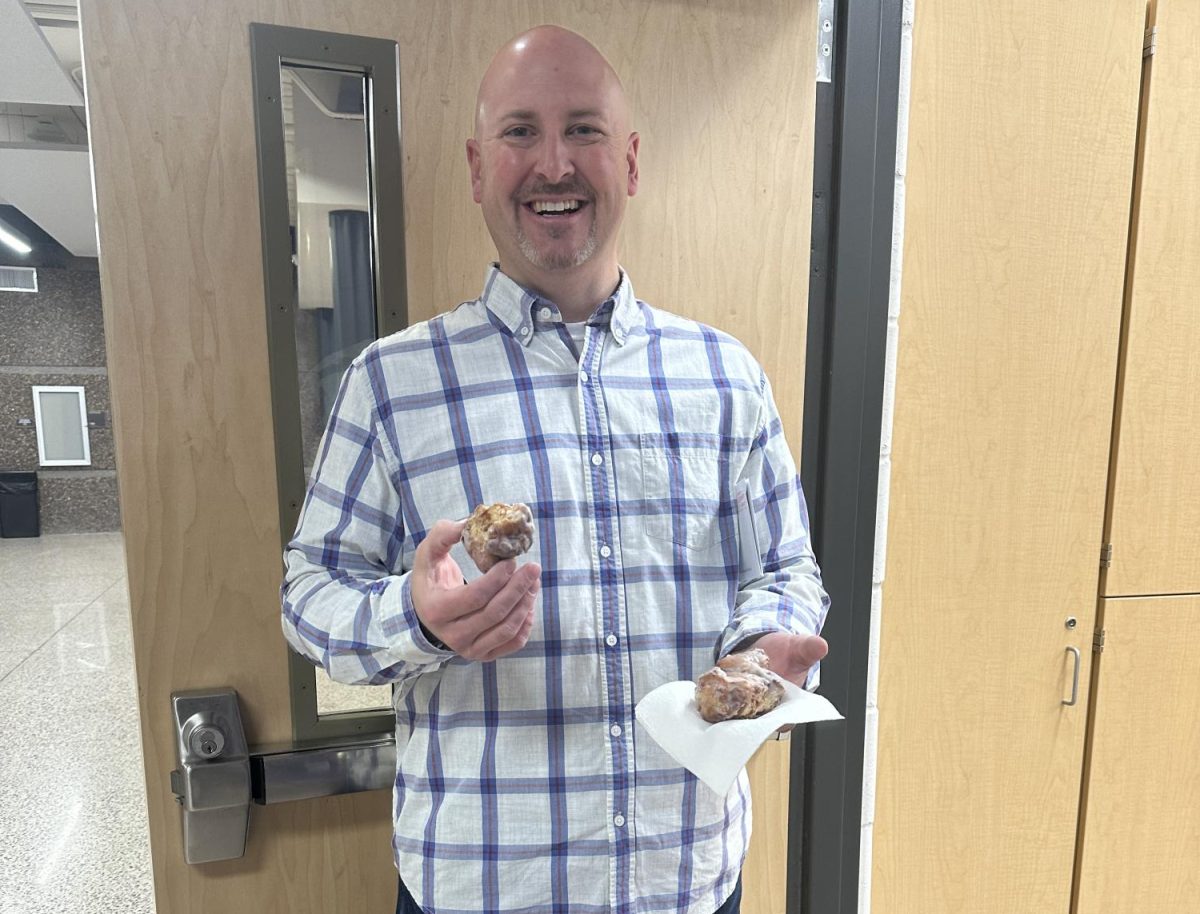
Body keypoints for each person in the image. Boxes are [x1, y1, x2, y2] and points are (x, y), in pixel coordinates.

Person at [281, 24, 830, 914]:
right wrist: (414, 618)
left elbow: (784, 566)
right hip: (481, 885)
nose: (553, 164)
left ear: (632, 161)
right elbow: (309, 598)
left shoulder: (725, 376)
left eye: (583, 129)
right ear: (475, 166)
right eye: (519, 132)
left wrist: (758, 651)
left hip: (684, 882)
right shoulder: (390, 384)